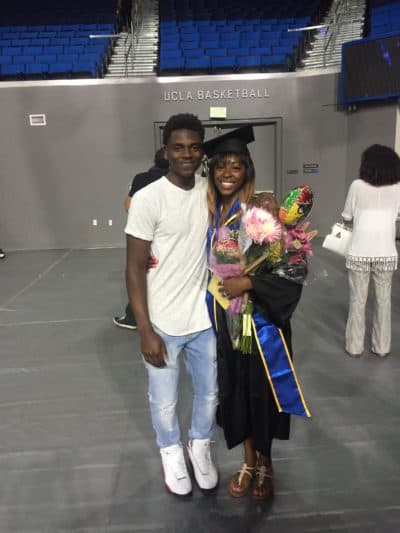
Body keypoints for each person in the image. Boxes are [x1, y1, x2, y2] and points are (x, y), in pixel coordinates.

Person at [204, 127, 310, 500]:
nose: (227, 172)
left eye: (236, 165)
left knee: (262, 395)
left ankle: (266, 464)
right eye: (220, 166)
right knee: (236, 394)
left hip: (262, 325)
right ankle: (248, 461)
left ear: (247, 170)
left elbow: (291, 270)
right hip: (226, 325)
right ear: (211, 171)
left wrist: (247, 285)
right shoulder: (210, 212)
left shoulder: (261, 212)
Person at [125, 113, 218, 496]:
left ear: (202, 151)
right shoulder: (148, 199)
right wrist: (144, 330)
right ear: (166, 151)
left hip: (204, 319)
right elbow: (133, 268)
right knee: (164, 401)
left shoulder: (212, 191)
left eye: (194, 147)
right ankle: (170, 452)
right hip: (162, 321)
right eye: (178, 147)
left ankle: (199, 446)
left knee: (210, 393)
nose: (187, 154)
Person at [342, 144, 400, 358]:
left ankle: (354, 347)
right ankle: (382, 347)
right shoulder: (398, 188)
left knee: (357, 300)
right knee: (384, 300)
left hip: (359, 250)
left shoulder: (356, 186)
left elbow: (347, 217)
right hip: (386, 252)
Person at [114, 149, 169, 330]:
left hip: (147, 236)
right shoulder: (180, 181)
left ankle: (133, 317)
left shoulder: (141, 179)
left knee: (142, 272)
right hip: (169, 235)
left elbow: (128, 206)